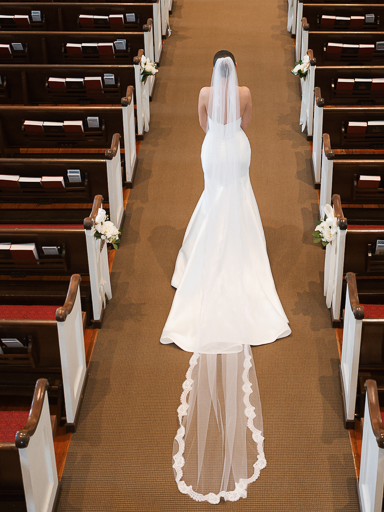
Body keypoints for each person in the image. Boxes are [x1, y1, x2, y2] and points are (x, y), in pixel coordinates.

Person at [161, 52, 290, 502]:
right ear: (234, 69)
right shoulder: (247, 93)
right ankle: (241, 255)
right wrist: (229, 131)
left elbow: (202, 124)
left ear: (212, 70)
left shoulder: (202, 94)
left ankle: (206, 255)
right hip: (235, 147)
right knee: (237, 198)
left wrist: (217, 133)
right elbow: (247, 122)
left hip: (215, 148)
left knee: (213, 198)